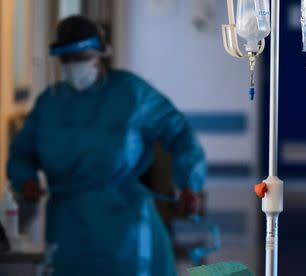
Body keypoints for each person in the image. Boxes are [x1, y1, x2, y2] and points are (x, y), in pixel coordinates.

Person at [7, 15, 207, 276]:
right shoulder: (49, 103)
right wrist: (26, 181)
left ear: (99, 55)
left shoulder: (131, 94)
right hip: (67, 227)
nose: (73, 66)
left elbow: (180, 133)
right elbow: (22, 152)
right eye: (66, 60)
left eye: (80, 58)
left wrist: (189, 183)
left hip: (125, 223)